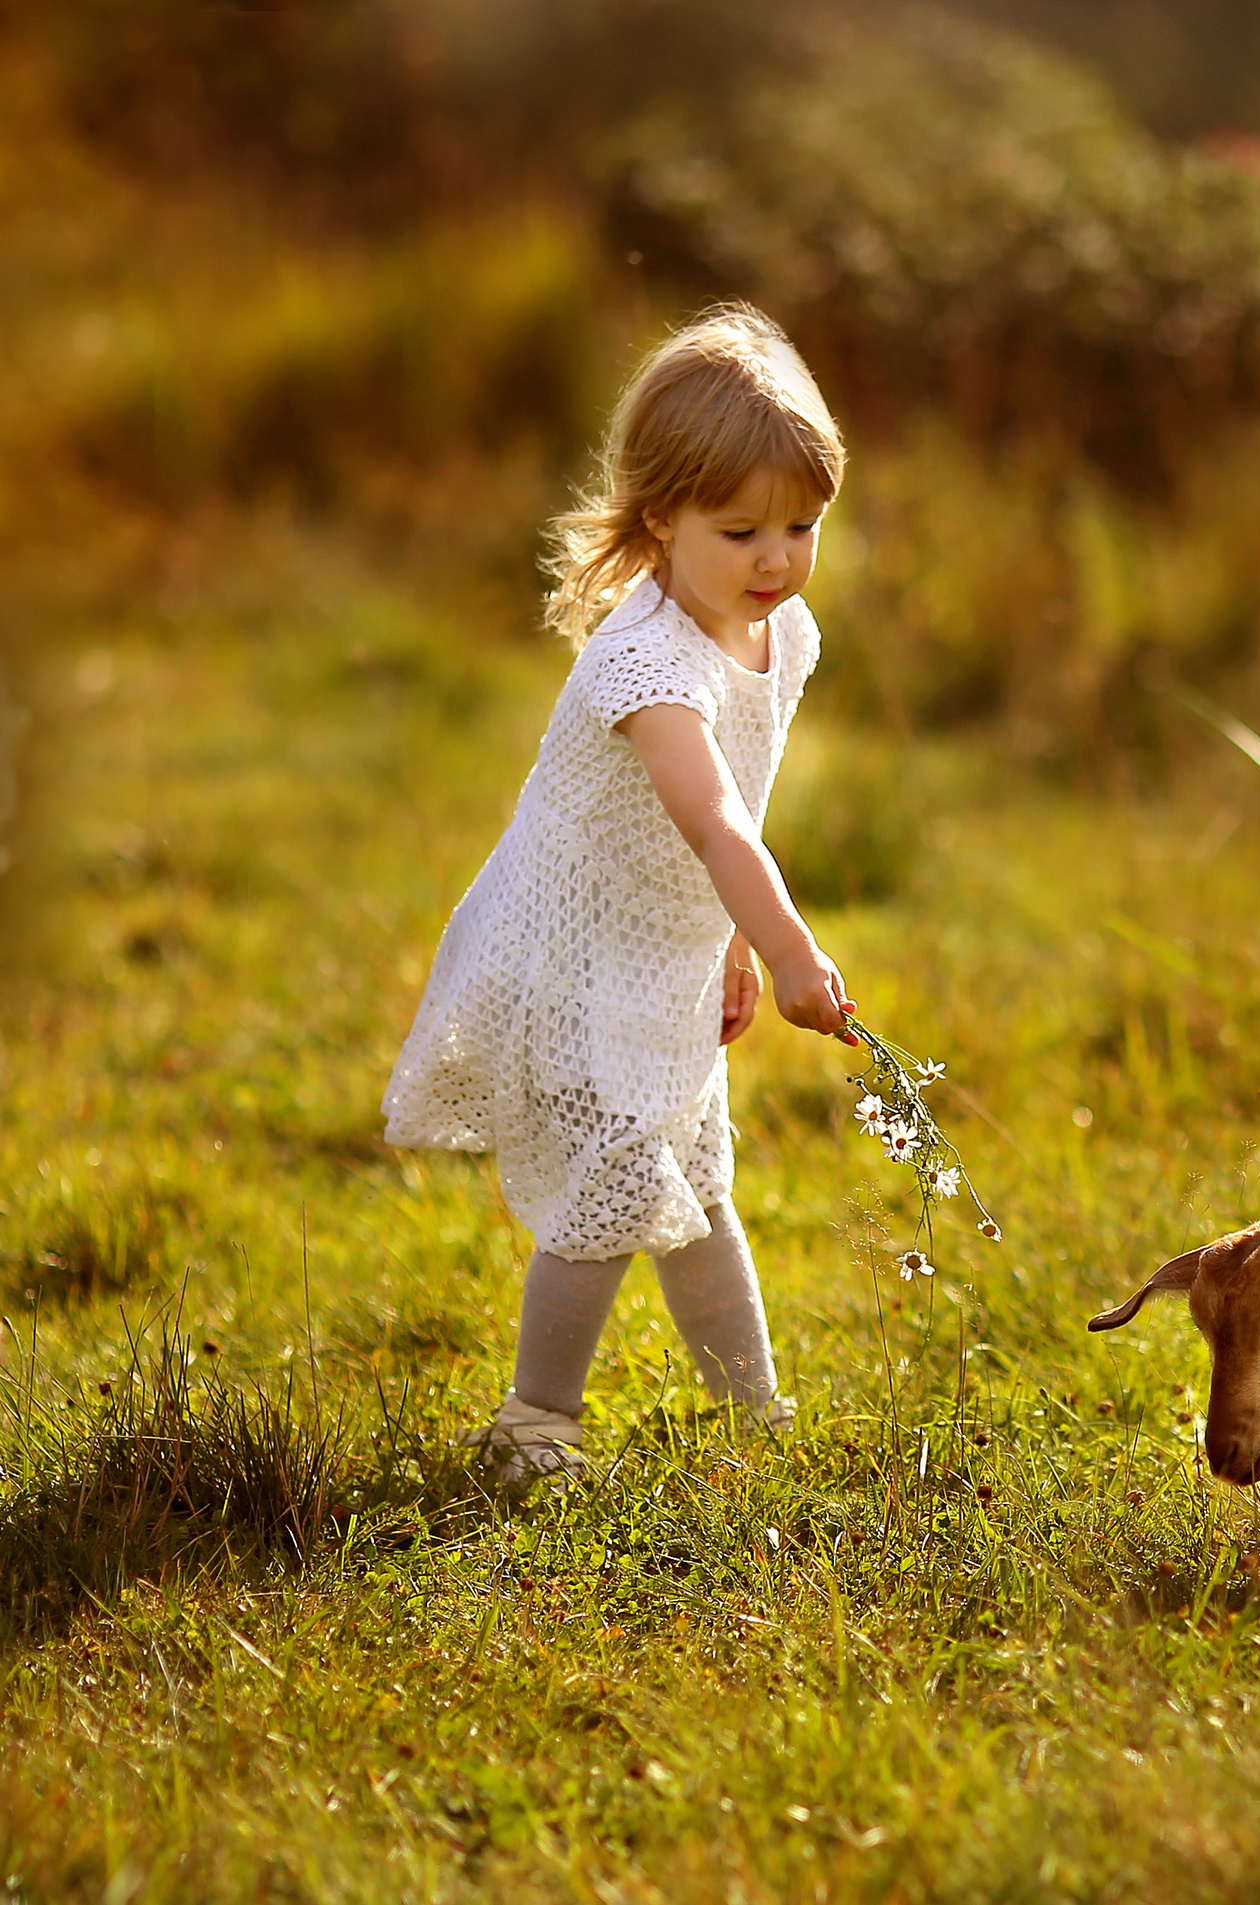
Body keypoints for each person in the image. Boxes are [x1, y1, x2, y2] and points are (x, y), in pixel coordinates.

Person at [383, 304, 854, 1488]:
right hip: (571, 953)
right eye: (740, 529)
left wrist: (731, 947)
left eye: (801, 526)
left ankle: (755, 1418)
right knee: (607, 1189)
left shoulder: (778, 630)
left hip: (666, 949)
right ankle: (533, 1425)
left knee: (697, 1185)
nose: (776, 559)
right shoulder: (643, 663)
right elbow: (710, 816)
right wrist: (789, 945)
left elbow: (728, 808)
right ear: (661, 519)